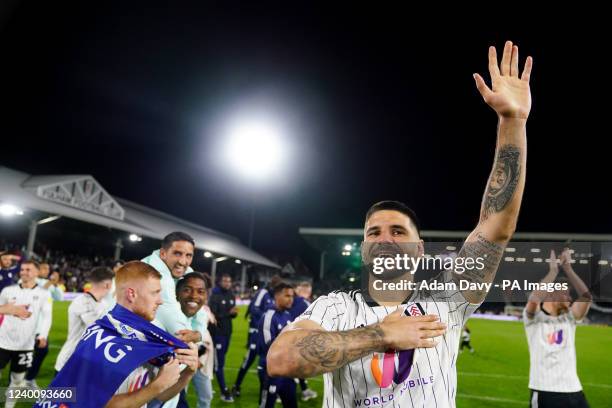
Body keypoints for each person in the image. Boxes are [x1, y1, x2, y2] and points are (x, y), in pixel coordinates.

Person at [268, 40, 531, 406]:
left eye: (398, 231)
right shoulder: (337, 308)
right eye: (373, 232)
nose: (385, 239)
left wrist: (512, 121)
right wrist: (380, 334)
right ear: (363, 249)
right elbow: (281, 360)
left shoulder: (448, 298)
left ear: (418, 249)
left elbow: (497, 225)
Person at [40, 261, 199, 408]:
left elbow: (161, 394)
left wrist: (188, 373)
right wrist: (155, 387)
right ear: (132, 294)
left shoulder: (150, 338)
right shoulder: (103, 337)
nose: (160, 301)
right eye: (155, 293)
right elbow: (94, 403)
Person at [524, 249, 592, 407]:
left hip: (574, 390)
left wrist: (569, 269)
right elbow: (534, 299)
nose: (569, 298)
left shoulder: (569, 318)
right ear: (552, 294)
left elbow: (587, 297)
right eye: (566, 294)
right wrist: (553, 272)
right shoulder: (534, 319)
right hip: (545, 391)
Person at [0, 261, 51, 408]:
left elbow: (47, 316)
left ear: (36, 272)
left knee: (17, 379)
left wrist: (43, 335)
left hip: (25, 345)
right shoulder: (8, 291)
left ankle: (9, 406)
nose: (24, 272)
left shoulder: (43, 294)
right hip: (2, 341)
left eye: (28, 269)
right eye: (22, 269)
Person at [142, 232, 204, 344]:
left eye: (188, 255)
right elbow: (178, 331)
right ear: (163, 254)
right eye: (177, 254)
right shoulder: (154, 274)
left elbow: (201, 310)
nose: (182, 262)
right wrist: (198, 336)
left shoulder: (187, 271)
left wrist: (199, 333)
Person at [54, 266, 114, 374]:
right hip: (70, 360)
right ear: (108, 285)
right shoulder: (82, 302)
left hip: (88, 363)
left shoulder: (103, 304)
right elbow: (98, 327)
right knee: (61, 391)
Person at [231, 275, 280, 397]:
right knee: (248, 361)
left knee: (267, 364)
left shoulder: (275, 297)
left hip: (267, 336)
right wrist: (265, 319)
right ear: (273, 285)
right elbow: (254, 308)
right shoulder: (263, 292)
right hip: (257, 335)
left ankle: (268, 390)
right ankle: (236, 386)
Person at [175, 272, 213, 408]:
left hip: (190, 368)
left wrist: (198, 336)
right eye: (187, 290)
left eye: (200, 291)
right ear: (176, 292)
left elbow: (202, 333)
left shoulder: (201, 314)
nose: (194, 296)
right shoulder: (169, 316)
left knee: (206, 396)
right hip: (162, 383)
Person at [24, 262, 65, 387]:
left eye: (48, 268)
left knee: (42, 351)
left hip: (41, 328)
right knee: (20, 354)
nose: (46, 270)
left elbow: (60, 297)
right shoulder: (31, 281)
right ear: (36, 270)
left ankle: (29, 378)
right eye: (43, 268)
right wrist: (50, 283)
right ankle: (17, 380)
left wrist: (55, 284)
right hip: (27, 325)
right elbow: (38, 293)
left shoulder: (49, 284)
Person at [258, 283, 296, 408]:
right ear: (277, 296)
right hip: (271, 372)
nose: (291, 299)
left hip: (287, 372)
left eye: (292, 296)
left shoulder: (287, 315)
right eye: (287, 296)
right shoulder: (268, 317)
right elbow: (268, 347)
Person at [208, 273, 238, 402]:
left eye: (229, 281)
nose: (227, 283)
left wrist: (233, 314)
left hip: (227, 332)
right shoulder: (214, 296)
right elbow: (213, 315)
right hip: (217, 333)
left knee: (218, 361)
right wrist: (228, 313)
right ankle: (224, 391)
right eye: (225, 281)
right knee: (219, 363)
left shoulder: (231, 295)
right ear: (220, 282)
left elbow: (230, 315)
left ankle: (207, 383)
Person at [287, 281, 317, 401]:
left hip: (287, 337)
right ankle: (282, 392)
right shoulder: (305, 303)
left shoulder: (293, 301)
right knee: (296, 367)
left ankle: (304, 389)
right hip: (298, 339)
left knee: (296, 367)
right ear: (308, 291)